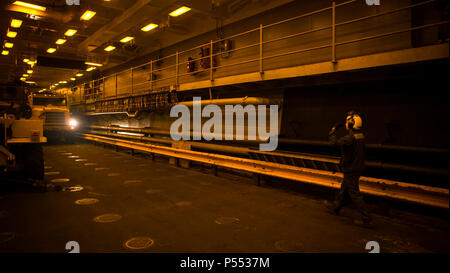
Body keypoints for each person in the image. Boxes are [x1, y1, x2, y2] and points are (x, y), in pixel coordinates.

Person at [326, 111, 375, 229]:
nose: (346, 124)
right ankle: (335, 208)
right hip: (357, 168)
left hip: (351, 169)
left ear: (352, 124)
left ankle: (367, 219)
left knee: (355, 195)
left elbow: (333, 143)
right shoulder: (361, 136)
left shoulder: (349, 138)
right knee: (344, 190)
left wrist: (333, 130)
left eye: (348, 122)